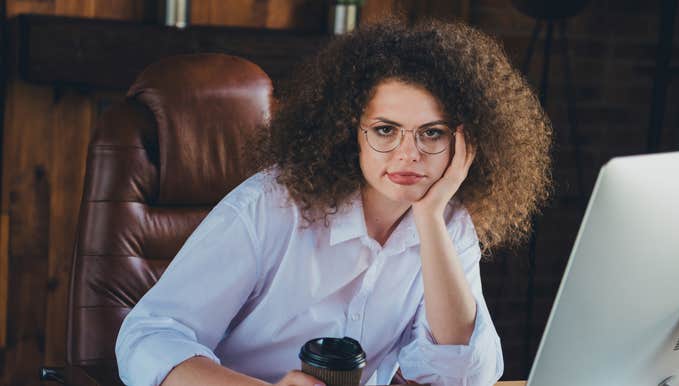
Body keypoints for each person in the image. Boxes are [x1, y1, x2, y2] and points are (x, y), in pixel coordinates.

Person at [115, 17, 552, 386]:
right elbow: (148, 338)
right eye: (386, 130)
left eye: (431, 133)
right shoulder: (271, 207)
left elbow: (463, 374)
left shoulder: (447, 223)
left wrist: (431, 218)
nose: (408, 154)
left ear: (465, 142)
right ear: (350, 132)